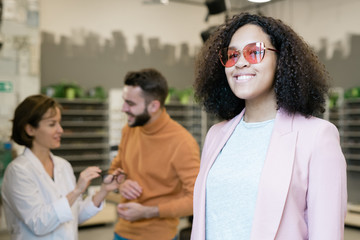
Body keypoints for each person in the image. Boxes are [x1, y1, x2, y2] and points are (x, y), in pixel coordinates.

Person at [191, 13, 347, 240]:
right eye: (232, 55)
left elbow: (327, 234)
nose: (241, 63)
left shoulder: (317, 136)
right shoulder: (217, 135)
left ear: (281, 60)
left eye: (254, 52)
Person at [1, 94, 125, 240]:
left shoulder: (63, 166)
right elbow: (39, 223)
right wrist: (77, 191)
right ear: (30, 129)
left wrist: (104, 190)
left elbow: (73, 216)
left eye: (59, 123)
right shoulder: (18, 171)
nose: (60, 130)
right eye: (52, 124)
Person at [109, 68, 200, 240]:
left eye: (131, 103)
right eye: (124, 101)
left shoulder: (182, 143)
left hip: (159, 236)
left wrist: (148, 212)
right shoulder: (129, 130)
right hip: (121, 232)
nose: (123, 108)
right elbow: (113, 171)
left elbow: (196, 200)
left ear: (154, 106)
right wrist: (121, 183)